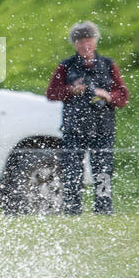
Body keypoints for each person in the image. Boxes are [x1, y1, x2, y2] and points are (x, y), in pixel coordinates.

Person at [45, 21, 129, 214]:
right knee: (72, 172)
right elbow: (51, 93)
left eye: (88, 40)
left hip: (103, 128)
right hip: (74, 128)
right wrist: (70, 91)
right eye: (80, 42)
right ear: (74, 44)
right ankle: (73, 210)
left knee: (103, 171)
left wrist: (108, 96)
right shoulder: (66, 66)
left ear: (95, 41)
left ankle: (103, 209)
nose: (85, 46)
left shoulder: (108, 65)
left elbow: (122, 96)